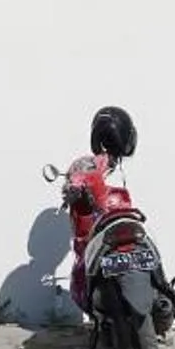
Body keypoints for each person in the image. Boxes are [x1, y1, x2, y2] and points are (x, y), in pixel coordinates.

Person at [59, 105, 138, 312]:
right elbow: (76, 181)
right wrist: (74, 188)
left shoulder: (87, 164)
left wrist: (73, 188)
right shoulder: (90, 166)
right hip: (103, 235)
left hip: (107, 234)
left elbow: (74, 182)